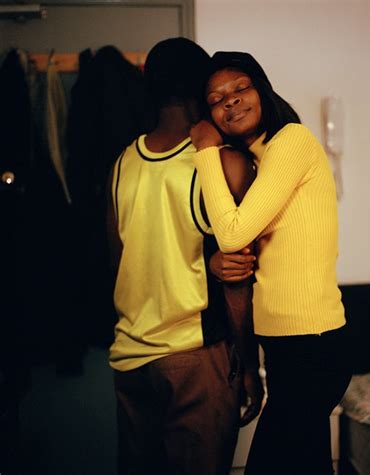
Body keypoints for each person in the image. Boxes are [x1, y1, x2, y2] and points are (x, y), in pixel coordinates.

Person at [190, 51, 352, 475]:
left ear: (262, 90)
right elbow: (241, 248)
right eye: (216, 99)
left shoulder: (291, 141)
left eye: (240, 88)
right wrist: (215, 263)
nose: (230, 100)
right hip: (284, 346)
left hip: (313, 345)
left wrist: (205, 149)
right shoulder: (257, 163)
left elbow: (232, 233)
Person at [106, 39, 263, 475]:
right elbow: (237, 281)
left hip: (130, 358)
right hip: (195, 358)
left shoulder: (122, 164)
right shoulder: (218, 162)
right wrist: (250, 366)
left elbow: (117, 265)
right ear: (201, 89)